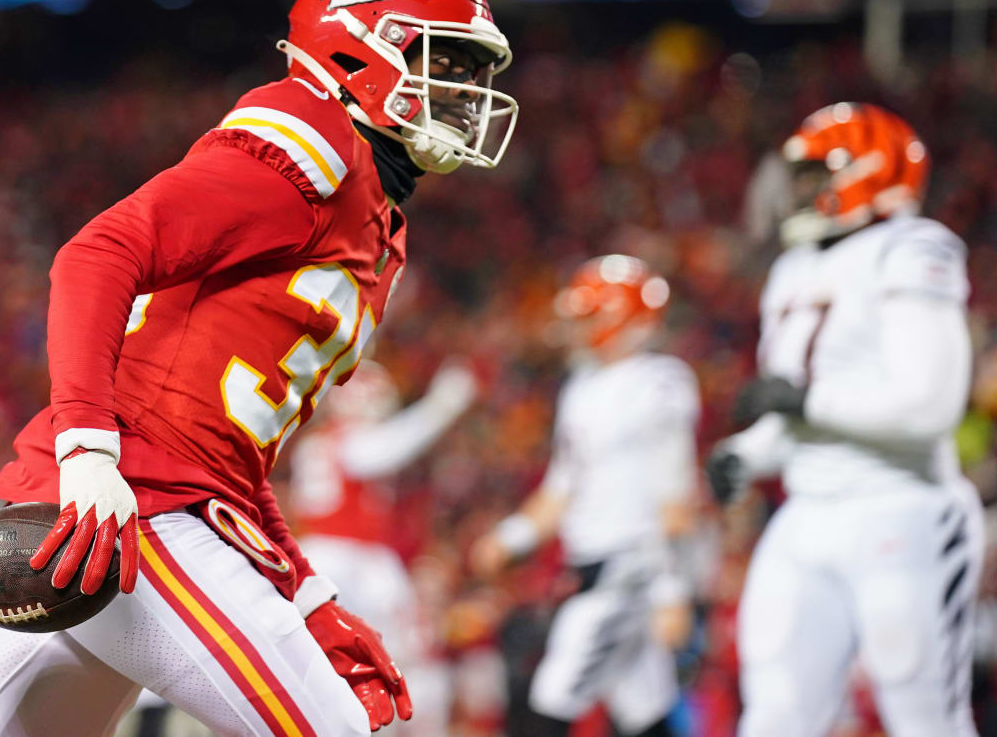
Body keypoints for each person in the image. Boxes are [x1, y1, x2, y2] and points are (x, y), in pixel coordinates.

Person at [0, 0, 519, 737]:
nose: (464, 91)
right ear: (359, 48)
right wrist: (87, 450)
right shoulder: (312, 142)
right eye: (441, 58)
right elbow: (98, 254)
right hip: (135, 504)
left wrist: (306, 595)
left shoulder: (375, 218)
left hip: (176, 500)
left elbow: (238, 459)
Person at [706, 102, 983, 737]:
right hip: (806, 511)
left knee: (922, 715)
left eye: (814, 174)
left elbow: (929, 404)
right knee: (774, 711)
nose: (799, 190)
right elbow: (794, 414)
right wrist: (748, 454)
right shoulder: (793, 268)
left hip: (902, 508)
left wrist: (803, 403)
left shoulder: (912, 249)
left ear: (868, 170)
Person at [471, 255, 700, 737]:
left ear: (622, 315)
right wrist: (510, 539)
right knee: (644, 709)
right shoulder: (582, 386)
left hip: (631, 565)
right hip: (591, 561)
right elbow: (561, 489)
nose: (579, 327)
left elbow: (676, 495)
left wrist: (672, 590)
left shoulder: (659, 383)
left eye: (591, 314)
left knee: (549, 701)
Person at [287, 357, 478, 734]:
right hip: (351, 558)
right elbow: (394, 446)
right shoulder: (350, 442)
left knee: (338, 659)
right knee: (402, 650)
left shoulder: (320, 444)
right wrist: (444, 403)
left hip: (321, 554)